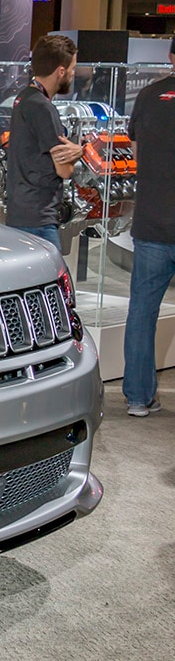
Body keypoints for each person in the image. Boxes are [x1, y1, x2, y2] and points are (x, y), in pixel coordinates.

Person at [120, 38, 175, 418]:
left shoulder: (149, 96)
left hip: (152, 221)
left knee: (142, 312)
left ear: (170, 57)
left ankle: (139, 398)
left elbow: (137, 156)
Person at [4, 34, 83, 252]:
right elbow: (65, 170)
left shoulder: (23, 98)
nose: (73, 73)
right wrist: (78, 152)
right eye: (72, 68)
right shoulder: (43, 108)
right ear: (61, 71)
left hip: (20, 211)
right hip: (39, 219)